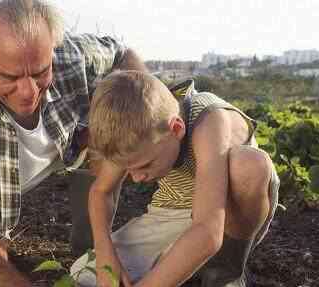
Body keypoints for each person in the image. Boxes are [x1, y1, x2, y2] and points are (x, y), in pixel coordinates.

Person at [0, 0, 148, 285]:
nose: (28, 92)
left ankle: (89, 246)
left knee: (111, 123)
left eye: (40, 72)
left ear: (52, 50)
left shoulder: (71, 56)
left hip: (69, 145)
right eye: (9, 77)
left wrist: (139, 111)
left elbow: (121, 54)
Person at [69, 71, 279, 287]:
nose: (137, 178)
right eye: (128, 169)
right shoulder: (130, 128)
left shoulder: (209, 121)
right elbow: (101, 191)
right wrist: (105, 253)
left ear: (176, 129)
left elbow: (208, 230)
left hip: (224, 216)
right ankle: (189, 270)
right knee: (84, 274)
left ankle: (226, 275)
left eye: (145, 165)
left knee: (249, 165)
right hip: (172, 213)